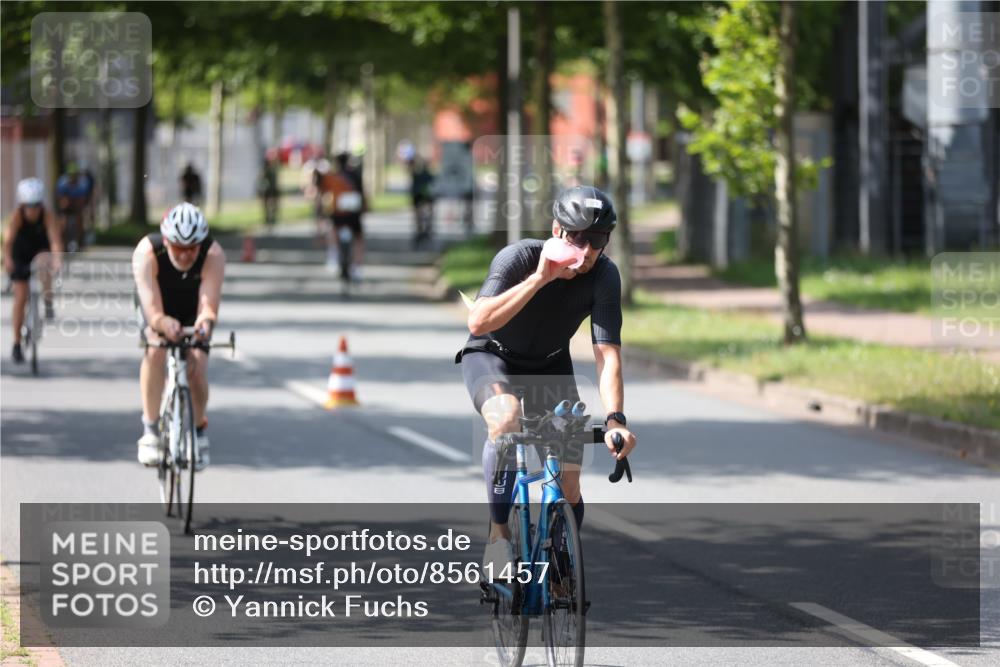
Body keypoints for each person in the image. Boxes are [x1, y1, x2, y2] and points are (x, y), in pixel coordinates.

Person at [456, 185, 637, 574]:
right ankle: (499, 535)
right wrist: (540, 278)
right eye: (578, 238)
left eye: (598, 240)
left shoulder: (605, 276)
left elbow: (607, 354)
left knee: (569, 485)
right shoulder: (519, 257)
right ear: (557, 231)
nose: (586, 251)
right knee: (506, 418)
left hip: (551, 366)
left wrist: (615, 420)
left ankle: (559, 566)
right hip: (493, 357)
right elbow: (477, 321)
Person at [132, 202, 225, 470]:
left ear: (201, 244)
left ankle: (198, 431)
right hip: (158, 307)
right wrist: (162, 322)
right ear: (166, 241)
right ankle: (150, 429)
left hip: (192, 310)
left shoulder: (213, 254)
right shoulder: (147, 252)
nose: (184, 255)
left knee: (196, 368)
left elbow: (208, 306)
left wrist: (205, 325)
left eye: (191, 249)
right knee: (155, 349)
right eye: (177, 248)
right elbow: (152, 311)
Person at [3, 178, 63, 362]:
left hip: (40, 250)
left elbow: (54, 240)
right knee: (20, 297)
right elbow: (8, 242)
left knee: (45, 263)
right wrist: (7, 260)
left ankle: (48, 299)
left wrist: (57, 259)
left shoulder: (47, 216)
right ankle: (16, 343)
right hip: (20, 253)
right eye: (29, 205)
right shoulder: (17, 217)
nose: (33, 210)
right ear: (22, 204)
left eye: (36, 205)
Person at [318, 152, 366, 278]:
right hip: (353, 212)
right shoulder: (355, 174)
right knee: (358, 238)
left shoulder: (332, 176)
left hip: (338, 212)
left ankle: (333, 257)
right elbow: (361, 193)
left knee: (333, 230)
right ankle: (357, 267)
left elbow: (323, 192)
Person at [56, 162, 90, 251]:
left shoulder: (82, 183)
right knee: (63, 223)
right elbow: (60, 198)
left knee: (80, 220)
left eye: (74, 175)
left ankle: (80, 241)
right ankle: (62, 240)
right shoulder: (62, 182)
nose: (72, 178)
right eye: (70, 175)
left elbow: (83, 200)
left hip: (77, 203)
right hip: (66, 203)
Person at [408, 157, 435, 248]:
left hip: (421, 197)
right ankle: (425, 229)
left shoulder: (417, 175)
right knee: (425, 214)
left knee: (420, 214)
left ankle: (423, 229)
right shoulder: (428, 175)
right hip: (422, 197)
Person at [257, 151, 280, 231]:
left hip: (273, 190)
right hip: (267, 190)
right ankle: (268, 220)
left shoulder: (274, 168)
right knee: (267, 206)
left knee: (273, 206)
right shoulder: (265, 169)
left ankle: (271, 219)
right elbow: (261, 179)